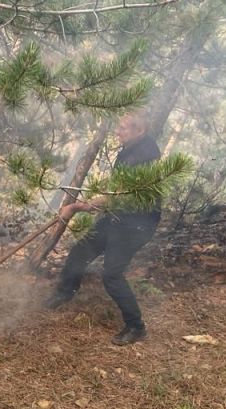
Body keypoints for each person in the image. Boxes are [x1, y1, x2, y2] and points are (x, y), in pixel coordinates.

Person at [46, 113, 162, 345]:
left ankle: (136, 326)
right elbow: (114, 197)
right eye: (118, 127)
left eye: (124, 128)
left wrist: (76, 207)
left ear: (139, 132)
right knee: (81, 251)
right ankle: (66, 292)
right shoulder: (133, 147)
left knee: (111, 274)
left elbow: (112, 197)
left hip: (136, 225)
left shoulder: (140, 156)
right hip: (119, 216)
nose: (118, 131)